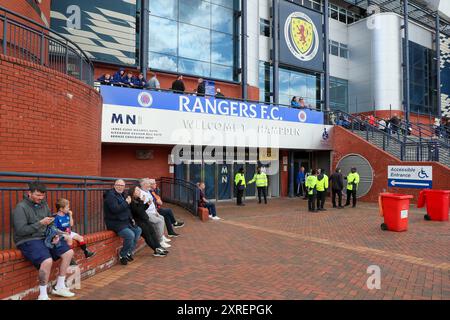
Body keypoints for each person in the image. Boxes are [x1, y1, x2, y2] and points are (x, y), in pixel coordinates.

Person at [13, 182, 75, 300]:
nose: (40, 198)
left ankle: (60, 287)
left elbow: (50, 224)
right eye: (37, 195)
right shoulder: (20, 207)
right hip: (27, 239)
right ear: (29, 193)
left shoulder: (44, 204)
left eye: (42, 196)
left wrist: (56, 235)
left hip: (44, 236)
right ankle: (43, 295)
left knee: (68, 253)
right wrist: (40, 223)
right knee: (47, 261)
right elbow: (20, 231)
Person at [104, 179, 142, 265]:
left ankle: (129, 252)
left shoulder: (123, 194)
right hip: (115, 222)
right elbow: (115, 209)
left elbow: (128, 210)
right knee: (130, 235)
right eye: (118, 185)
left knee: (138, 230)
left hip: (125, 221)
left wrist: (131, 218)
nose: (120, 187)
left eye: (122, 186)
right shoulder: (111, 196)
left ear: (124, 187)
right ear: (114, 185)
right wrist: (126, 202)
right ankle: (123, 255)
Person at [128, 186, 168, 257]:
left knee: (153, 232)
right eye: (137, 190)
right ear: (133, 192)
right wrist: (142, 201)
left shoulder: (138, 199)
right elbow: (138, 211)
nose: (139, 191)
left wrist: (147, 205)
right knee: (148, 236)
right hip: (139, 221)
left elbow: (142, 209)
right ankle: (155, 250)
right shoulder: (131, 201)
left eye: (139, 190)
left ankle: (158, 247)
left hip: (145, 219)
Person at [139, 178, 172, 247]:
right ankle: (160, 241)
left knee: (162, 218)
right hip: (147, 213)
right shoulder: (141, 193)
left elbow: (152, 203)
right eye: (148, 183)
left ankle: (161, 237)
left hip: (153, 212)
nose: (150, 185)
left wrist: (156, 211)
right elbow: (142, 206)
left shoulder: (148, 191)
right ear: (144, 184)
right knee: (159, 222)